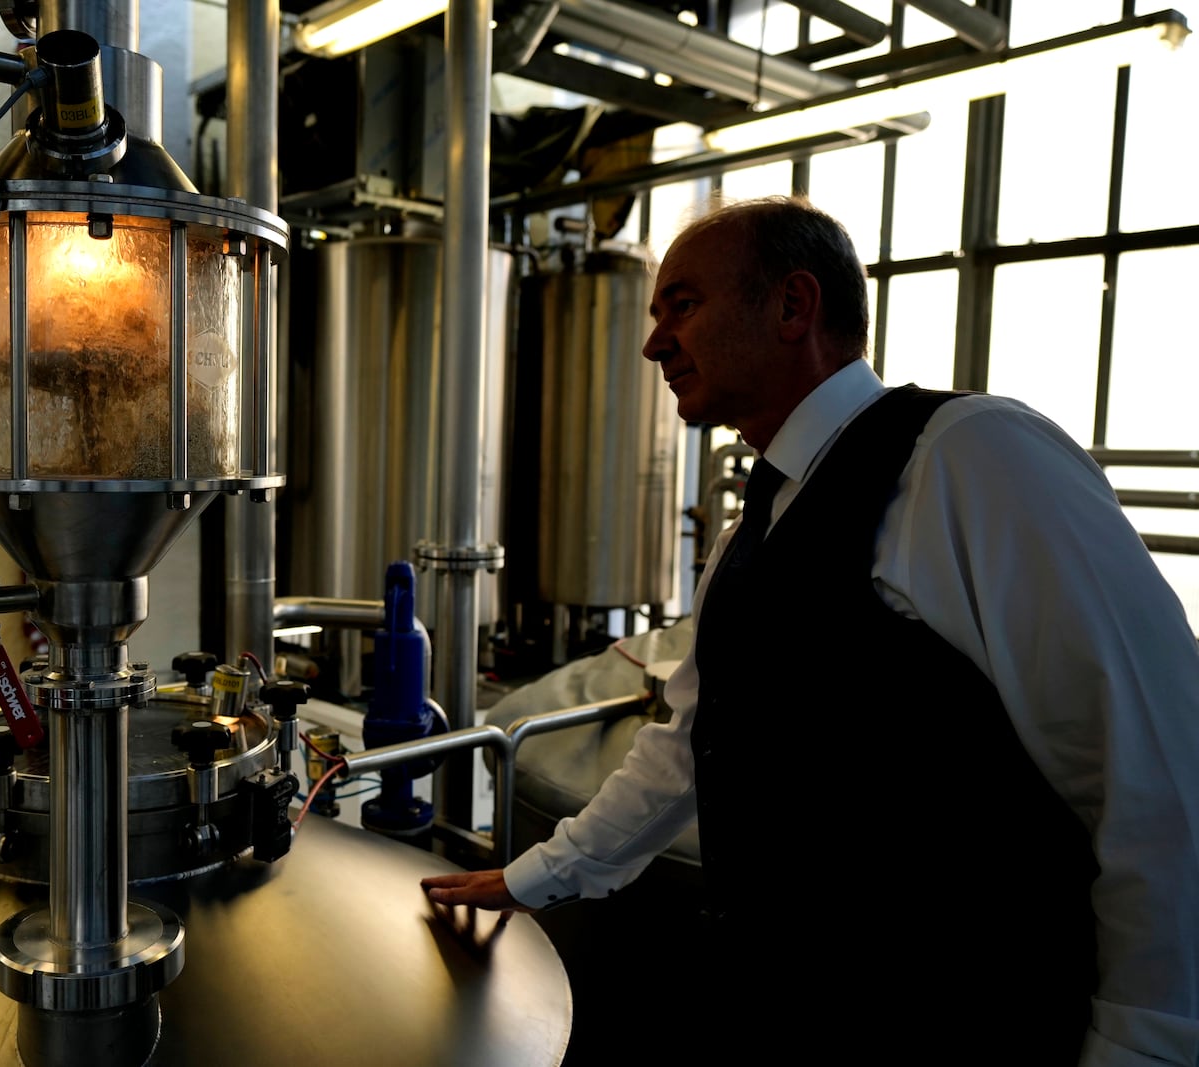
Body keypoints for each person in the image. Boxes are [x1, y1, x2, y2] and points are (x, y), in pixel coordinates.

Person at [421, 196, 1199, 1065]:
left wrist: (1145, 1038)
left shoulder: (972, 456)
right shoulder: (752, 526)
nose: (653, 343)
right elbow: (685, 747)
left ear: (793, 306)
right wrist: (538, 875)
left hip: (978, 1018)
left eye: (682, 304)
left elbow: (1155, 762)